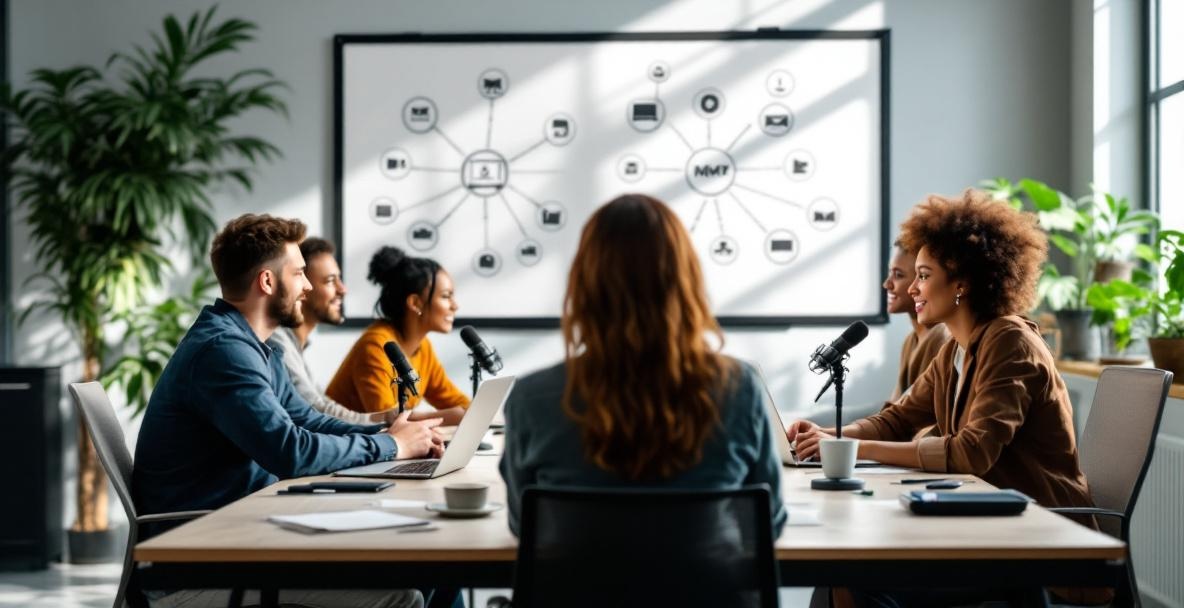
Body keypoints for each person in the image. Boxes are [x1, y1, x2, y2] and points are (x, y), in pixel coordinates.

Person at [787, 190, 1103, 606]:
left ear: (962, 283)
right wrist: (830, 435)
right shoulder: (956, 348)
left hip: (1041, 549)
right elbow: (897, 419)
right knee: (839, 576)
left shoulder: (1009, 342)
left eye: (922, 275)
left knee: (855, 577)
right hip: (988, 530)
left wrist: (854, 446)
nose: (912, 288)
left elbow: (972, 453)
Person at [133, 214, 441, 608]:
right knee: (401, 596)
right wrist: (392, 448)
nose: (308, 286)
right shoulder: (224, 352)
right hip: (196, 564)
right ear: (267, 281)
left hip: (241, 536)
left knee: (424, 570)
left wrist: (389, 435)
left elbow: (307, 420)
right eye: (299, 273)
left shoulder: (256, 347)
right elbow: (290, 451)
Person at [499, 193, 787, 537]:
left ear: (584, 285)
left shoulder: (533, 398)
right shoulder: (739, 388)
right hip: (707, 592)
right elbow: (768, 522)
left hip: (581, 592)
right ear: (685, 282)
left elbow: (523, 525)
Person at [326, 246, 469, 425]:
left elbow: (462, 405)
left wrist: (459, 413)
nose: (455, 306)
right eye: (446, 296)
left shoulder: (423, 347)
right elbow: (386, 420)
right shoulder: (375, 346)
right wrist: (450, 416)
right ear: (415, 303)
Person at [269, 236, 390, 424]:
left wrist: (388, 418)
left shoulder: (294, 344)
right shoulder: (277, 342)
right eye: (330, 281)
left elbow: (320, 403)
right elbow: (315, 410)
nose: (343, 289)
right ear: (301, 285)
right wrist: (385, 422)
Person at [883, 240, 951, 402]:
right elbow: (895, 409)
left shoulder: (941, 338)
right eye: (889, 273)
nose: (886, 284)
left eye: (898, 275)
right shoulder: (910, 341)